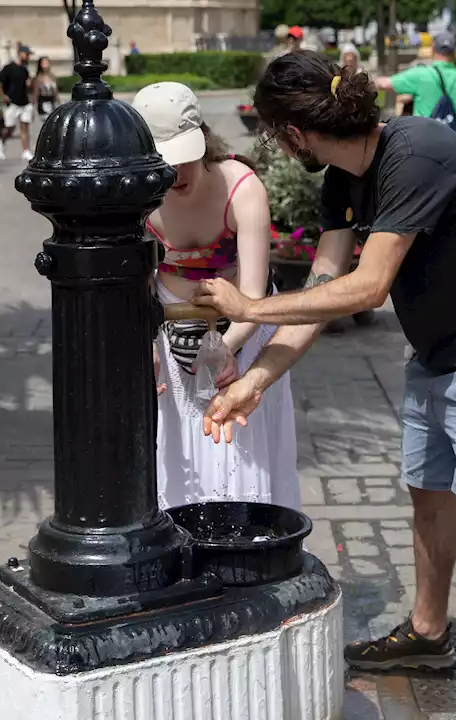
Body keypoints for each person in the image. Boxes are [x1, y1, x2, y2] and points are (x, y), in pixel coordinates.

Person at [192, 50, 456, 720]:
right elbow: (326, 289)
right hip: (439, 351)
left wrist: (248, 310)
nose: (277, 145)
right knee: (428, 493)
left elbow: (369, 286)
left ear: (295, 135)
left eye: (275, 135)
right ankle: (427, 635)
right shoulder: (344, 177)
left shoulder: (416, 152)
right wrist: (258, 382)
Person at [131, 81, 299, 511]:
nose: (176, 174)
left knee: (238, 450)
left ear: (203, 139)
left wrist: (225, 348)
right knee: (176, 449)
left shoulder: (242, 189)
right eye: (163, 162)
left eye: (185, 158)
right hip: (167, 333)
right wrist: (144, 342)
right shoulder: (134, 196)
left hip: (241, 333)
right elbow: (136, 281)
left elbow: (254, 298)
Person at [375, 31, 456, 141]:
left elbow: (384, 83)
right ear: (454, 53)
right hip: (452, 141)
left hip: (422, 140)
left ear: (433, 50)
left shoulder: (421, 74)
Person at [0, 44, 34, 161]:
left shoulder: (25, 69)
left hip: (25, 102)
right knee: (10, 128)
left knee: (24, 127)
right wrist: (3, 96)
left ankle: (26, 151)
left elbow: (27, 84)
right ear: (20, 54)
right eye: (27, 54)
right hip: (12, 102)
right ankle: (1, 140)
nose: (28, 57)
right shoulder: (9, 67)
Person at [33, 56, 59, 122]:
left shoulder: (52, 76)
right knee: (47, 122)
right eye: (43, 62)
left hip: (53, 103)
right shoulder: (39, 77)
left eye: (47, 62)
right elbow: (35, 93)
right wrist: (33, 106)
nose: (46, 64)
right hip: (43, 102)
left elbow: (56, 91)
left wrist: (58, 102)